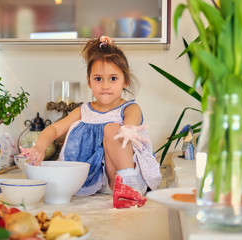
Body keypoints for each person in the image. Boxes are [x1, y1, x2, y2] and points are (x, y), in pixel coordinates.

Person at [20, 36, 161, 196]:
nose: (105, 86)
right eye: (98, 79)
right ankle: (120, 192)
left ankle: (129, 190)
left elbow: (131, 121)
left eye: (113, 79)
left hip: (127, 177)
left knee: (113, 129)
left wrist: (128, 129)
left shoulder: (130, 108)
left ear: (125, 81)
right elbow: (54, 128)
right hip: (98, 184)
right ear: (89, 82)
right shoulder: (84, 111)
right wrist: (40, 146)